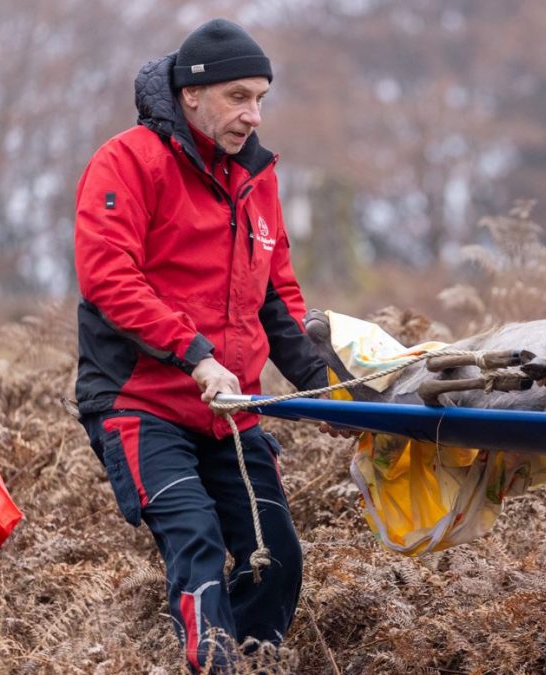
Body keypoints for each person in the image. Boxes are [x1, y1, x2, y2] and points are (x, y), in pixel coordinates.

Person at [73, 18, 329, 671]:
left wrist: (329, 387)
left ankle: (255, 658)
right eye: (240, 97)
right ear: (193, 94)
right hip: (141, 402)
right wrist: (195, 353)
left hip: (229, 407)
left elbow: (277, 295)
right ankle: (210, 664)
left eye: (262, 98)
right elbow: (108, 278)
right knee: (199, 544)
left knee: (277, 557)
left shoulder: (259, 176)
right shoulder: (127, 161)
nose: (255, 114)